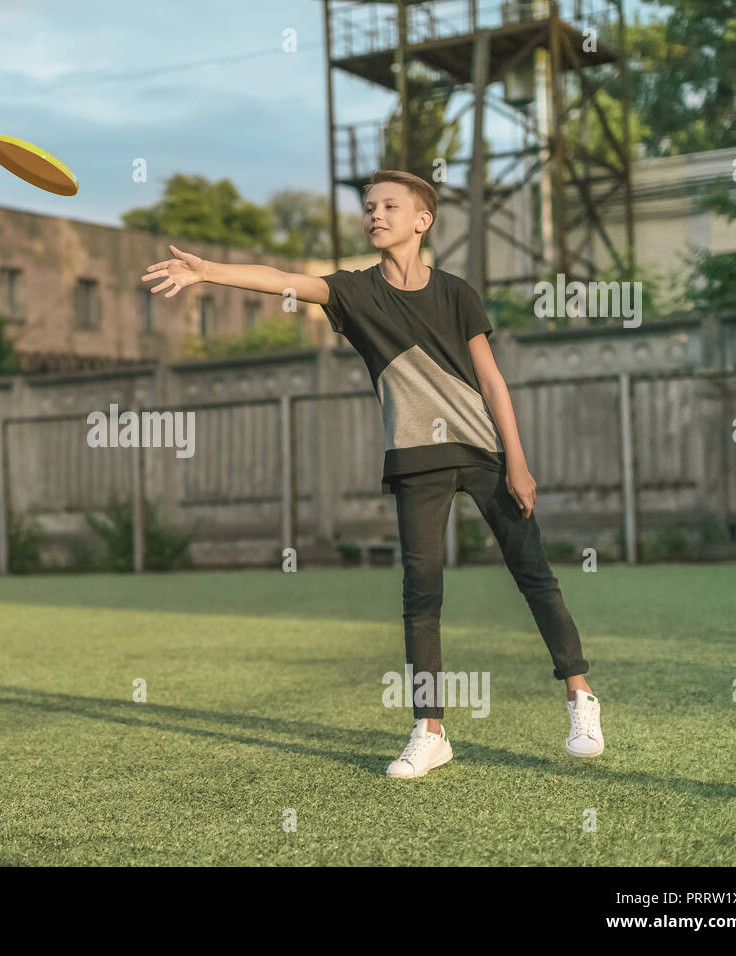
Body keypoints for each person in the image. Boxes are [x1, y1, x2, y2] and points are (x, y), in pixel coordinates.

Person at [140, 169, 604, 779]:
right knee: (421, 594)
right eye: (368, 207)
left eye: (389, 205)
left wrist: (517, 459)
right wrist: (208, 271)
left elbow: (491, 379)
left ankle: (580, 698)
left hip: (483, 451)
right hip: (414, 460)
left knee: (534, 574)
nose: (375, 214)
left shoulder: (458, 292)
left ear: (422, 220)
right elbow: (281, 280)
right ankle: (430, 730)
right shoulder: (355, 293)